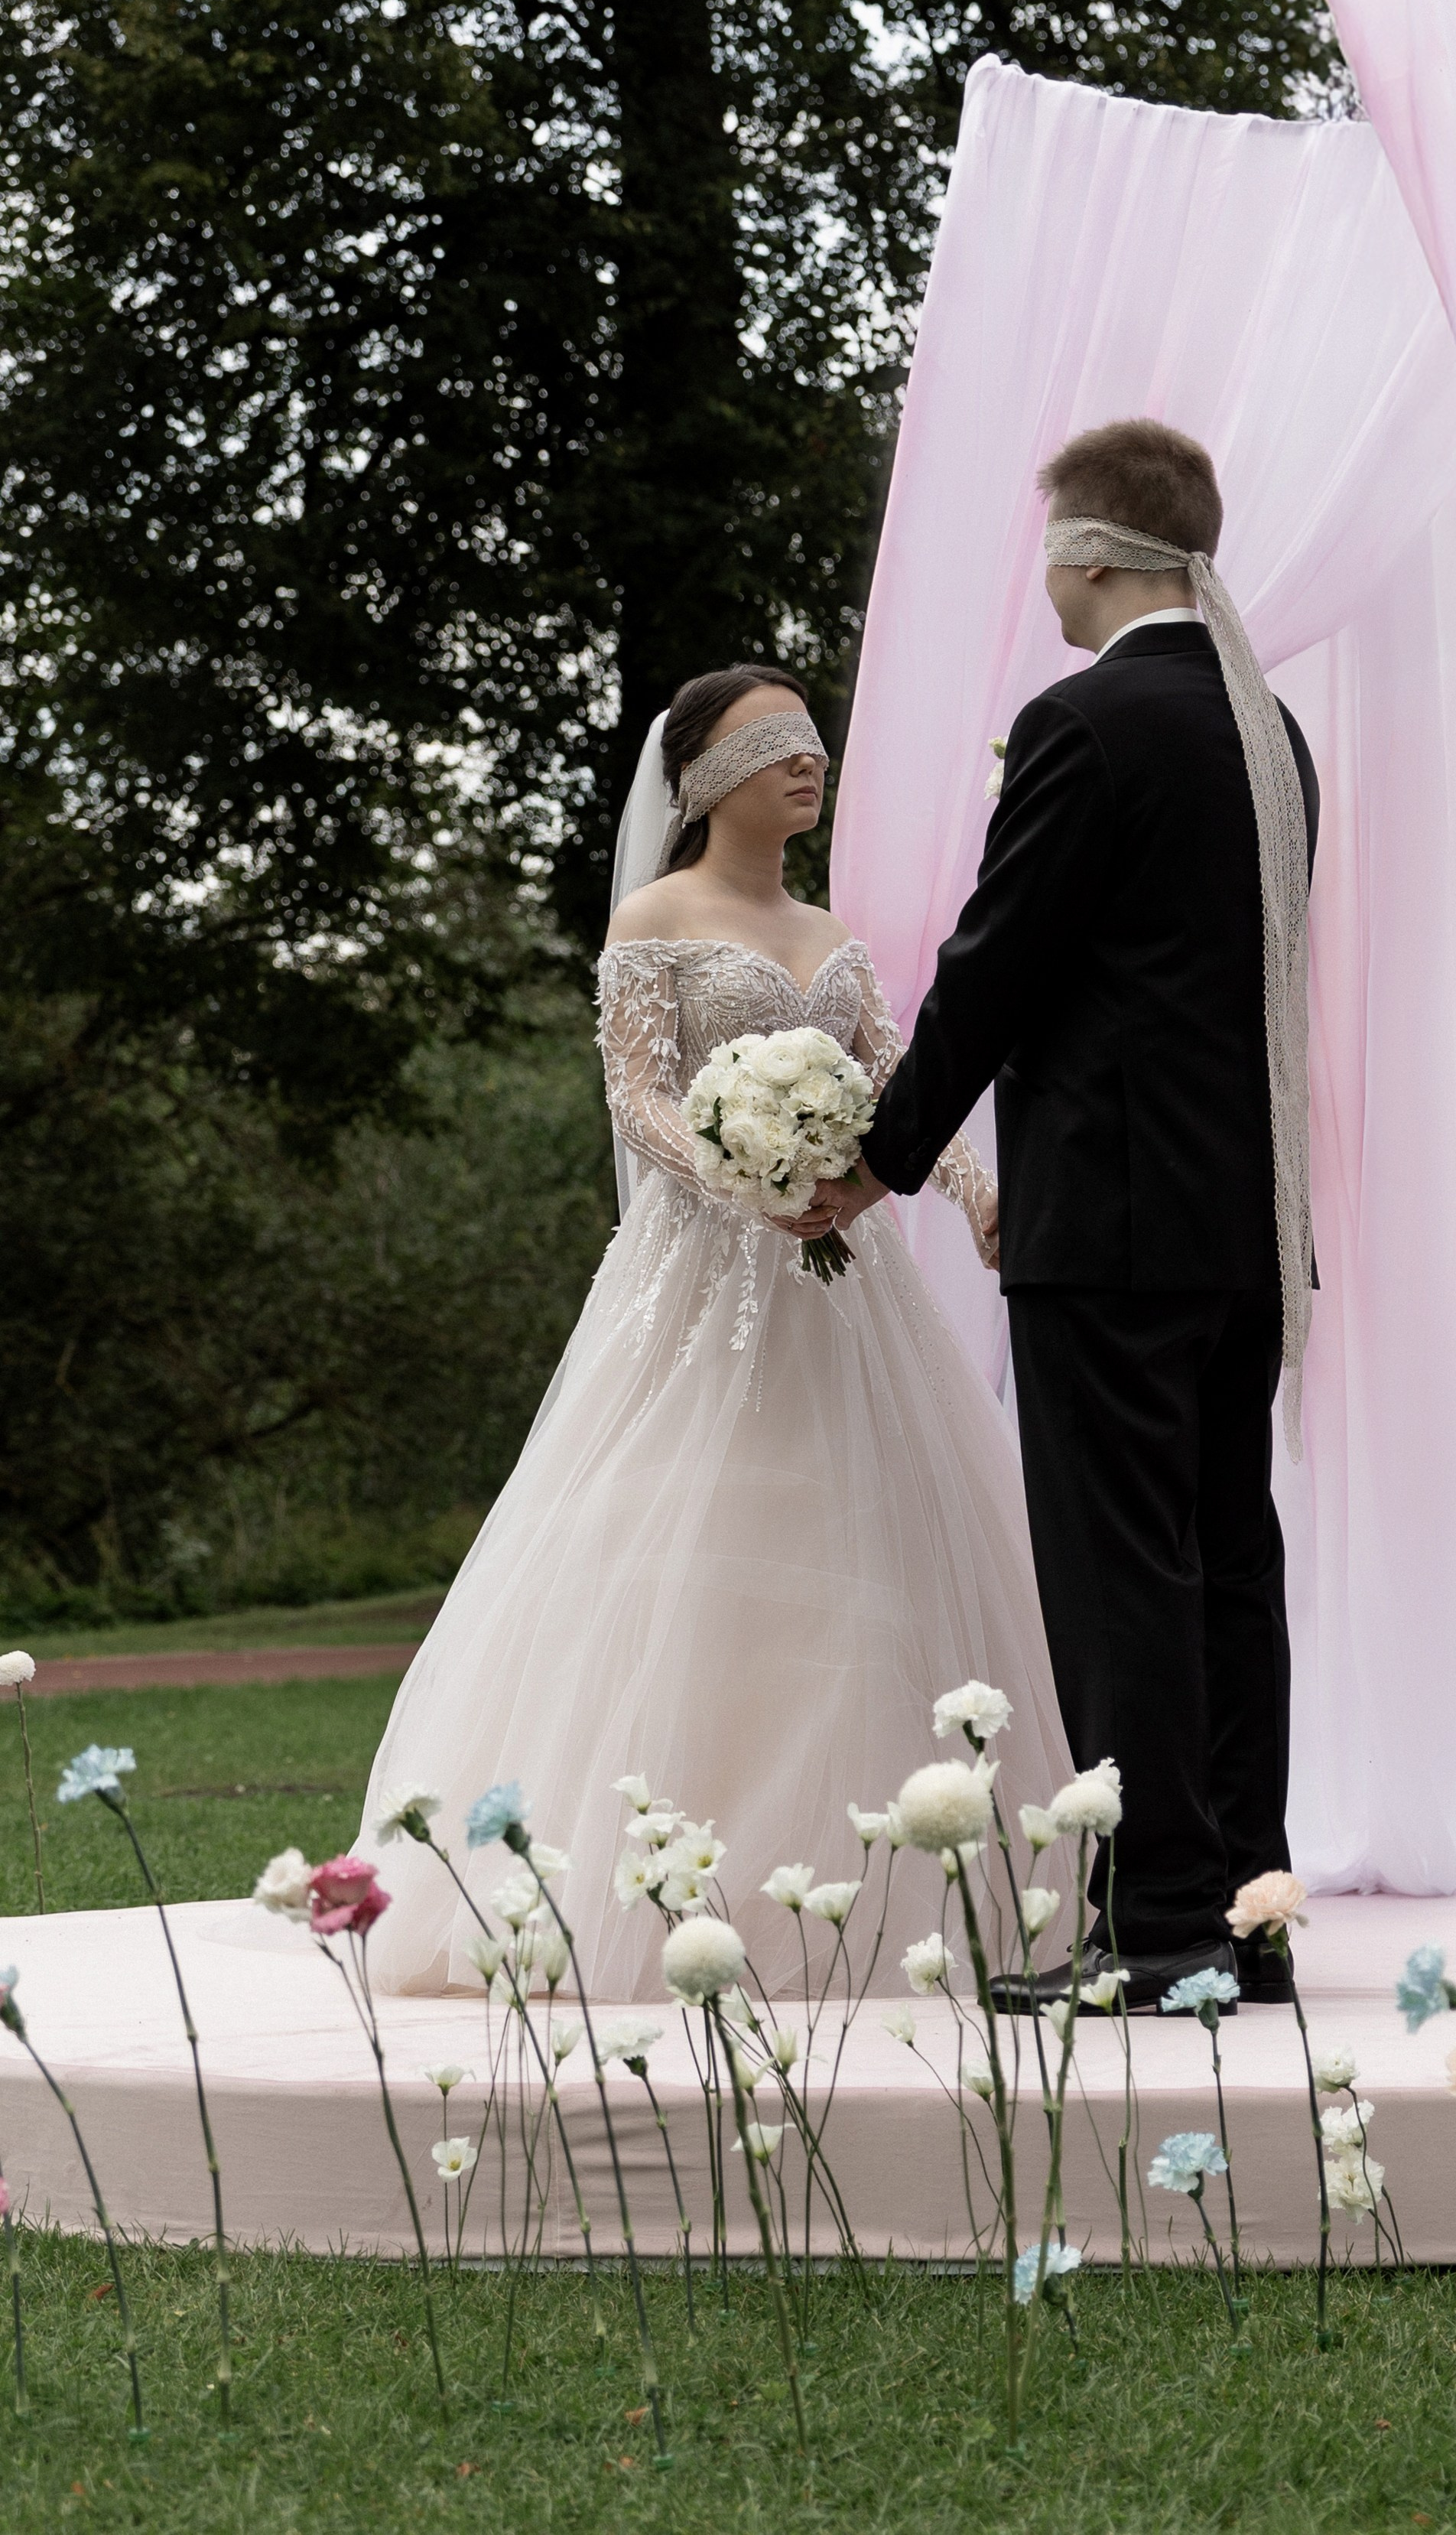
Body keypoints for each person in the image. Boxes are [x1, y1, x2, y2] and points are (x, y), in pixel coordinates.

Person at [358, 662, 1071, 2000]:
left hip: (847, 1288)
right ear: (702, 780)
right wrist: (743, 1178)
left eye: (814, 743)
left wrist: (978, 1193)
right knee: (679, 1540)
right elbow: (635, 1097)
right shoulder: (655, 917)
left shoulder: (831, 930)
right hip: (700, 1281)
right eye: (776, 744)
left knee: (861, 1554)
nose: (811, 762)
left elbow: (901, 1081)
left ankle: (852, 1866)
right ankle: (648, 1877)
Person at [824, 418, 1319, 2009]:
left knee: (1123, 1580)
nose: (1039, 575)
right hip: (1246, 1225)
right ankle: (1244, 1917)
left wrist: (881, 1156)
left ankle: (1156, 1924)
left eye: (1047, 547)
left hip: (1109, 1224)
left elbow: (995, 968)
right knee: (1224, 1567)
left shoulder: (1088, 723)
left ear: (1092, 556)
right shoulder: (1269, 730)